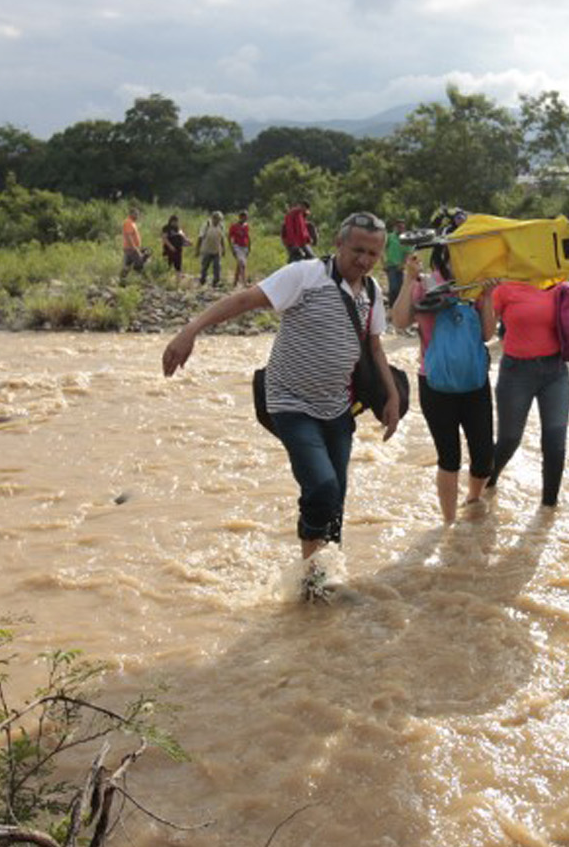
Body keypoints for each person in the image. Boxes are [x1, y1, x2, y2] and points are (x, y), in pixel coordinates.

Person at [162, 212, 402, 599]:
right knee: (321, 486)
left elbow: (374, 349)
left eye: (373, 253)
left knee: (335, 498)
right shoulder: (306, 275)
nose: (364, 260)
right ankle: (312, 582)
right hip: (289, 401)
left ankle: (323, 583)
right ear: (338, 244)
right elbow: (244, 299)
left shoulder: (372, 292)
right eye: (357, 250)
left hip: (337, 405)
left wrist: (391, 396)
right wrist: (190, 330)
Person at [390, 249, 496, 523]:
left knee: (484, 457)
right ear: (443, 258)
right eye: (456, 256)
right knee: (449, 457)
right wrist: (407, 280)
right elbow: (400, 322)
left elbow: (487, 334)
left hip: (475, 382)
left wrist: (488, 297)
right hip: (435, 384)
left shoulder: (474, 286)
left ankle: (473, 500)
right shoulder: (425, 284)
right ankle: (449, 523)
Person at [486, 276, 569, 508]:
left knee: (555, 444)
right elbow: (486, 330)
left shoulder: (558, 283)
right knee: (510, 439)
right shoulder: (504, 287)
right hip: (516, 373)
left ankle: (548, 510)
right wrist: (485, 294)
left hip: (555, 371)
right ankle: (487, 483)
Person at [383, 218, 410, 308]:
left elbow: (407, 252)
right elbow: (382, 249)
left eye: (402, 227)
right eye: (399, 227)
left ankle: (399, 308)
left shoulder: (405, 238)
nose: (401, 229)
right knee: (393, 288)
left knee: (400, 289)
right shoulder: (390, 237)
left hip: (400, 267)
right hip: (390, 266)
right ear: (395, 227)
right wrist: (383, 263)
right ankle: (392, 307)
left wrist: (403, 264)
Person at [195, 211, 226, 287]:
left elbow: (222, 238)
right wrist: (197, 249)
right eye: (216, 219)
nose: (217, 221)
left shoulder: (221, 226)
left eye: (219, 219)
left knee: (217, 266)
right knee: (205, 266)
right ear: (213, 218)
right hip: (206, 250)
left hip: (216, 250)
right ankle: (202, 281)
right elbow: (200, 238)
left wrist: (223, 248)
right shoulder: (206, 225)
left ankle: (216, 282)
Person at [282, 200, 316, 264]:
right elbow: (295, 230)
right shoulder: (294, 215)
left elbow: (303, 229)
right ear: (304, 207)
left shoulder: (299, 214)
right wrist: (295, 243)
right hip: (297, 243)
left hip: (297, 242)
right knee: (312, 259)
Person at [228, 209, 253, 286]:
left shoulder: (246, 226)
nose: (246, 219)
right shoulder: (234, 226)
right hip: (237, 246)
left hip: (244, 247)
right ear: (240, 217)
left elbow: (248, 237)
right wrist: (231, 248)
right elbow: (229, 237)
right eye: (245, 217)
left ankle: (235, 282)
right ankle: (244, 282)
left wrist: (249, 247)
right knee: (242, 263)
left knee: (239, 264)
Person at [120, 207, 148, 276]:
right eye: (136, 214)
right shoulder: (128, 222)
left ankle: (123, 281)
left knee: (128, 265)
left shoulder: (132, 223)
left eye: (138, 214)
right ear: (131, 214)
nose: (137, 216)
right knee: (140, 263)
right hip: (131, 248)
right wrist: (135, 248)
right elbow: (129, 236)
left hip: (131, 248)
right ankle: (142, 279)